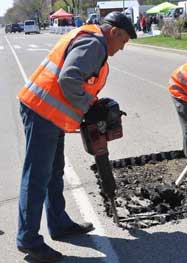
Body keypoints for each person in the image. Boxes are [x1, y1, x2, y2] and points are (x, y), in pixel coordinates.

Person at [16, 11, 136, 262]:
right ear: (114, 32)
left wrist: (91, 103)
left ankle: (59, 223)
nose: (123, 48)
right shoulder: (94, 43)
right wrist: (90, 107)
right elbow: (69, 78)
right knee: (37, 176)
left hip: (50, 114)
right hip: (41, 111)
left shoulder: (94, 41)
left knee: (54, 172)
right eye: (123, 41)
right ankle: (28, 240)